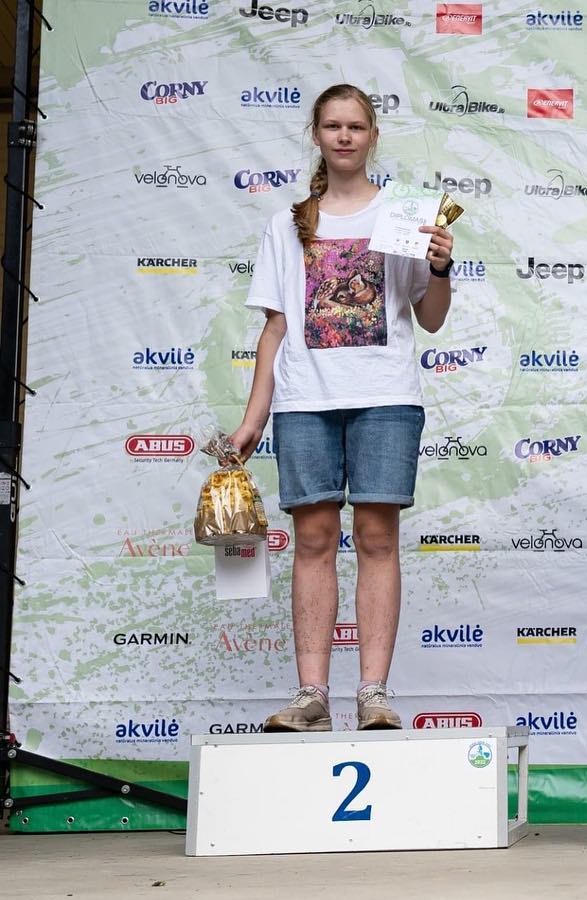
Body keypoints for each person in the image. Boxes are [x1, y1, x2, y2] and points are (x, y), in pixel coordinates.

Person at [229, 84, 455, 730]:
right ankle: (312, 697)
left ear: (373, 135)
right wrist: (251, 420)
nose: (345, 136)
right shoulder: (286, 224)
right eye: (333, 125)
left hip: (386, 398)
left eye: (356, 126)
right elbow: (275, 328)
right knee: (313, 540)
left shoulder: (405, 214)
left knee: (378, 539)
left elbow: (431, 320)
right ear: (317, 135)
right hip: (305, 402)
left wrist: (441, 269)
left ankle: (373, 694)